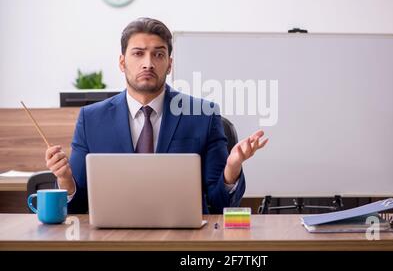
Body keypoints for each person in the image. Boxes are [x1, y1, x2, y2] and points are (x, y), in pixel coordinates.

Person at [45, 17, 268, 213]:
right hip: (113, 237)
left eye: (158, 54)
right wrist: (65, 179)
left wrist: (232, 168)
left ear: (169, 64)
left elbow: (220, 204)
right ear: (122, 62)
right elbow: (77, 207)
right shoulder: (91, 120)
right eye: (138, 54)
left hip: (183, 239)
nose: (148, 63)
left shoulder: (203, 115)